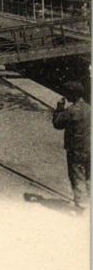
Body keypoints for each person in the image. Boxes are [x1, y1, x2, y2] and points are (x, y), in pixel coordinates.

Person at [52, 81, 90, 211]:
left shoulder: (71, 111)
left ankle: (81, 207)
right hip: (90, 148)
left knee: (77, 177)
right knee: (89, 176)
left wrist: (59, 108)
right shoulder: (90, 109)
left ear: (73, 95)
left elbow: (57, 124)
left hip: (76, 150)